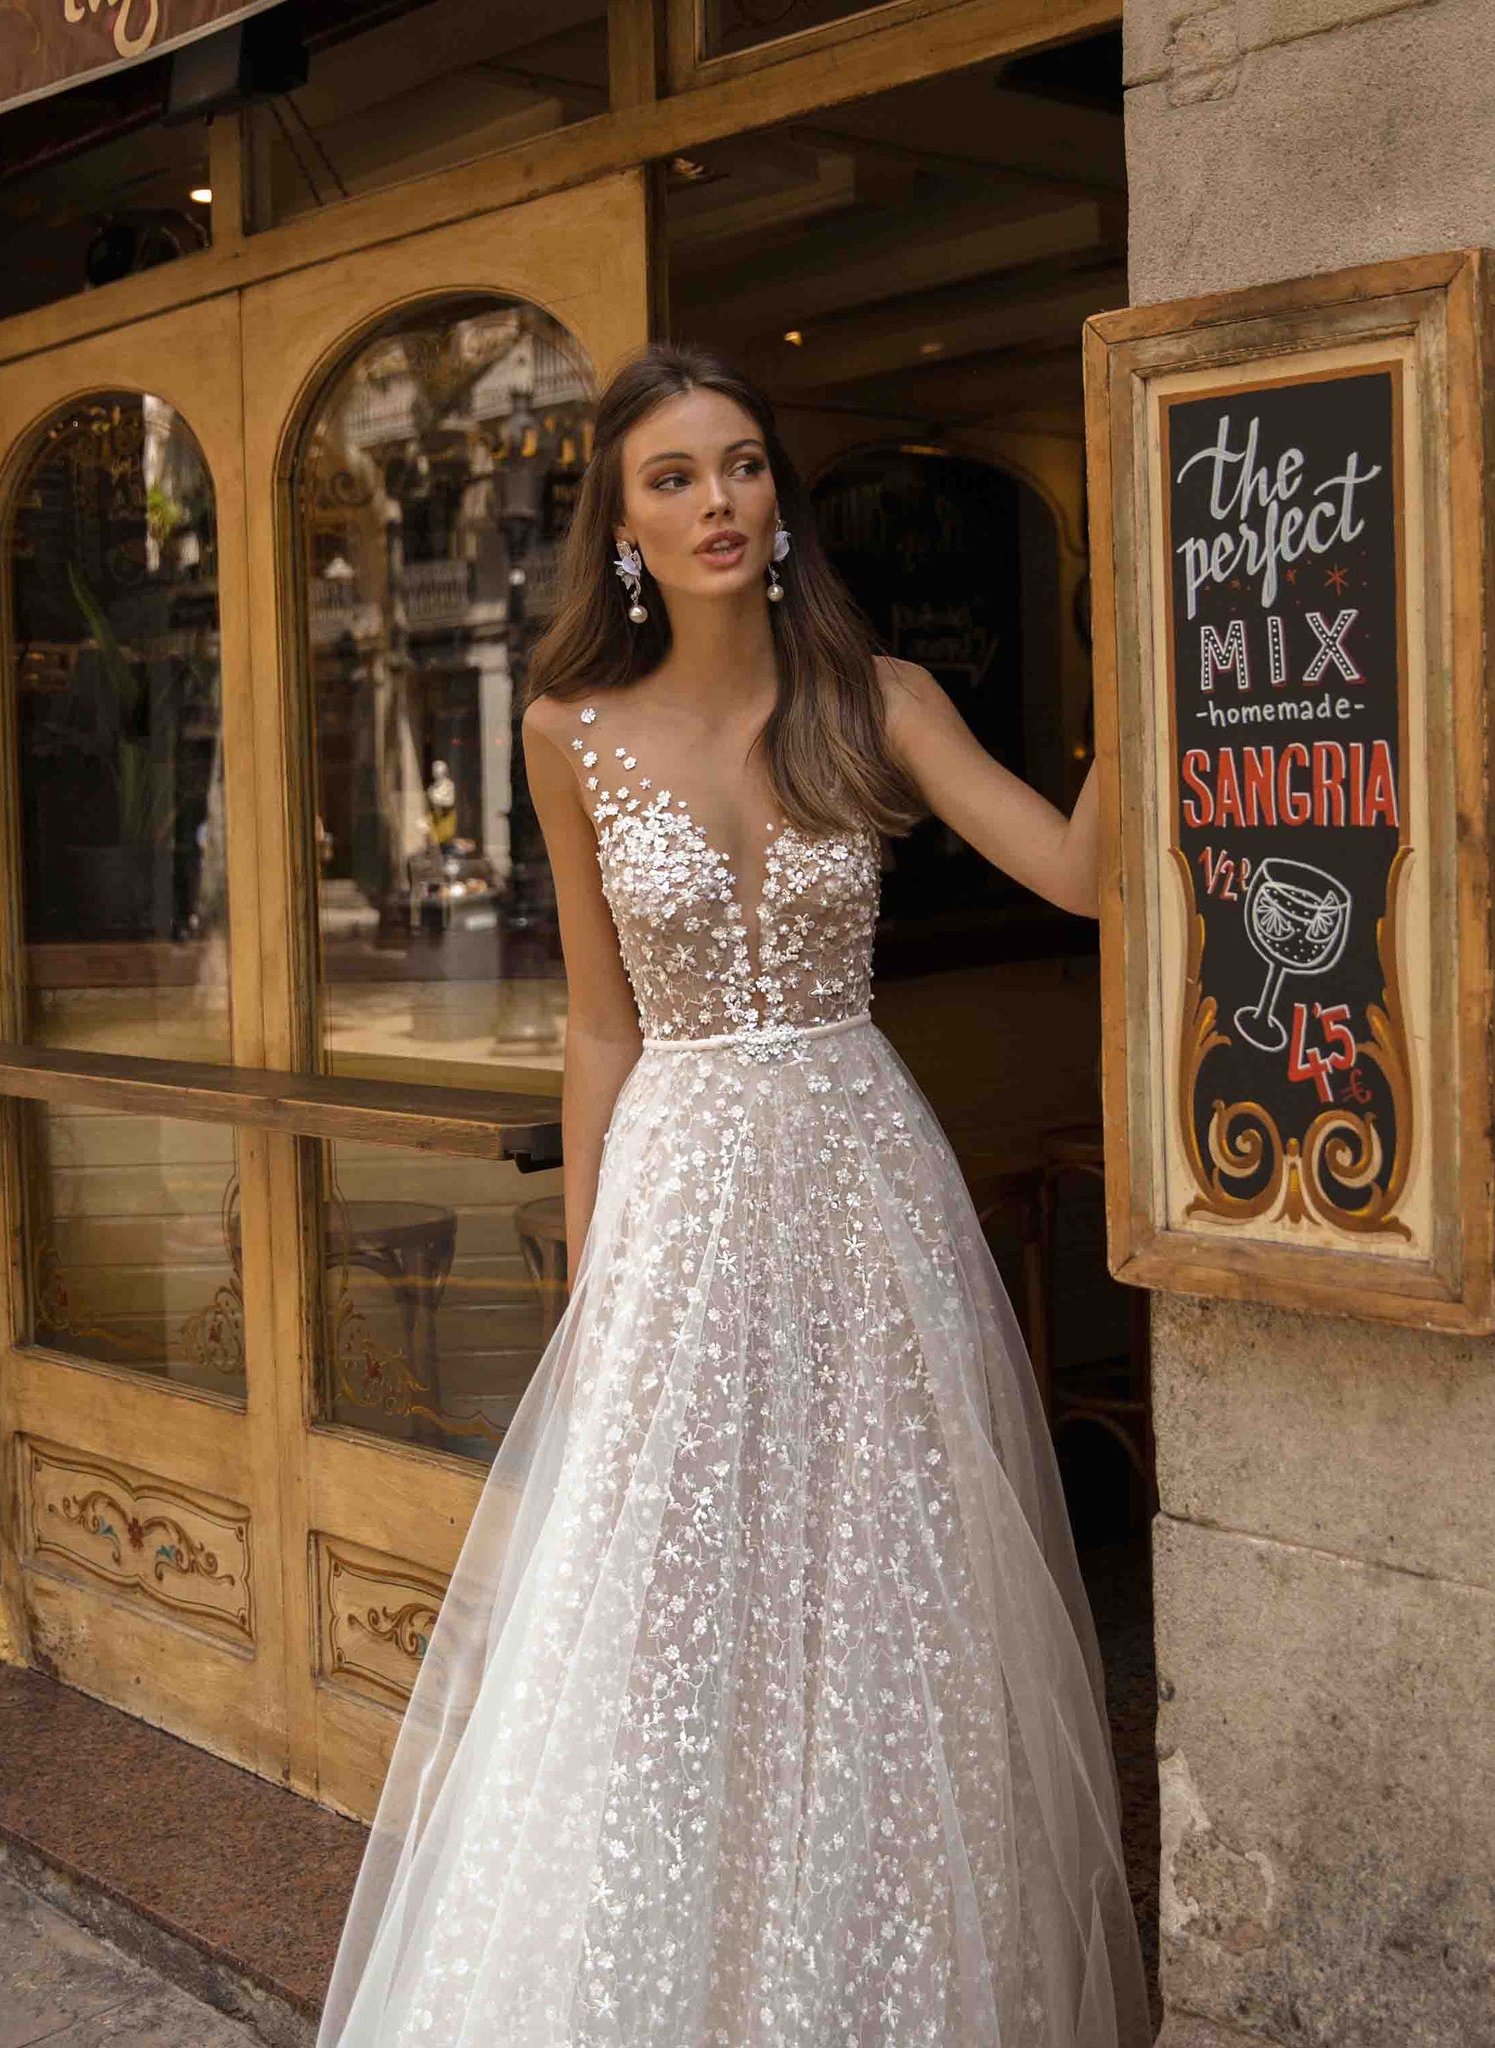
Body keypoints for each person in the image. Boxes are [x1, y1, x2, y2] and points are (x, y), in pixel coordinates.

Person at [316, 342, 1152, 2048]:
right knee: (672, 1599)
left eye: (745, 465)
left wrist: (1153, 646)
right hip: (682, 1195)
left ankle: (874, 1987)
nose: (720, 502)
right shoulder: (568, 732)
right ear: (620, 525)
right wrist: (592, 1261)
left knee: (886, 1591)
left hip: (861, 1176)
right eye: (676, 477)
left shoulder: (882, 697)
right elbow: (602, 1025)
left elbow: (1076, 872)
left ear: (782, 498)